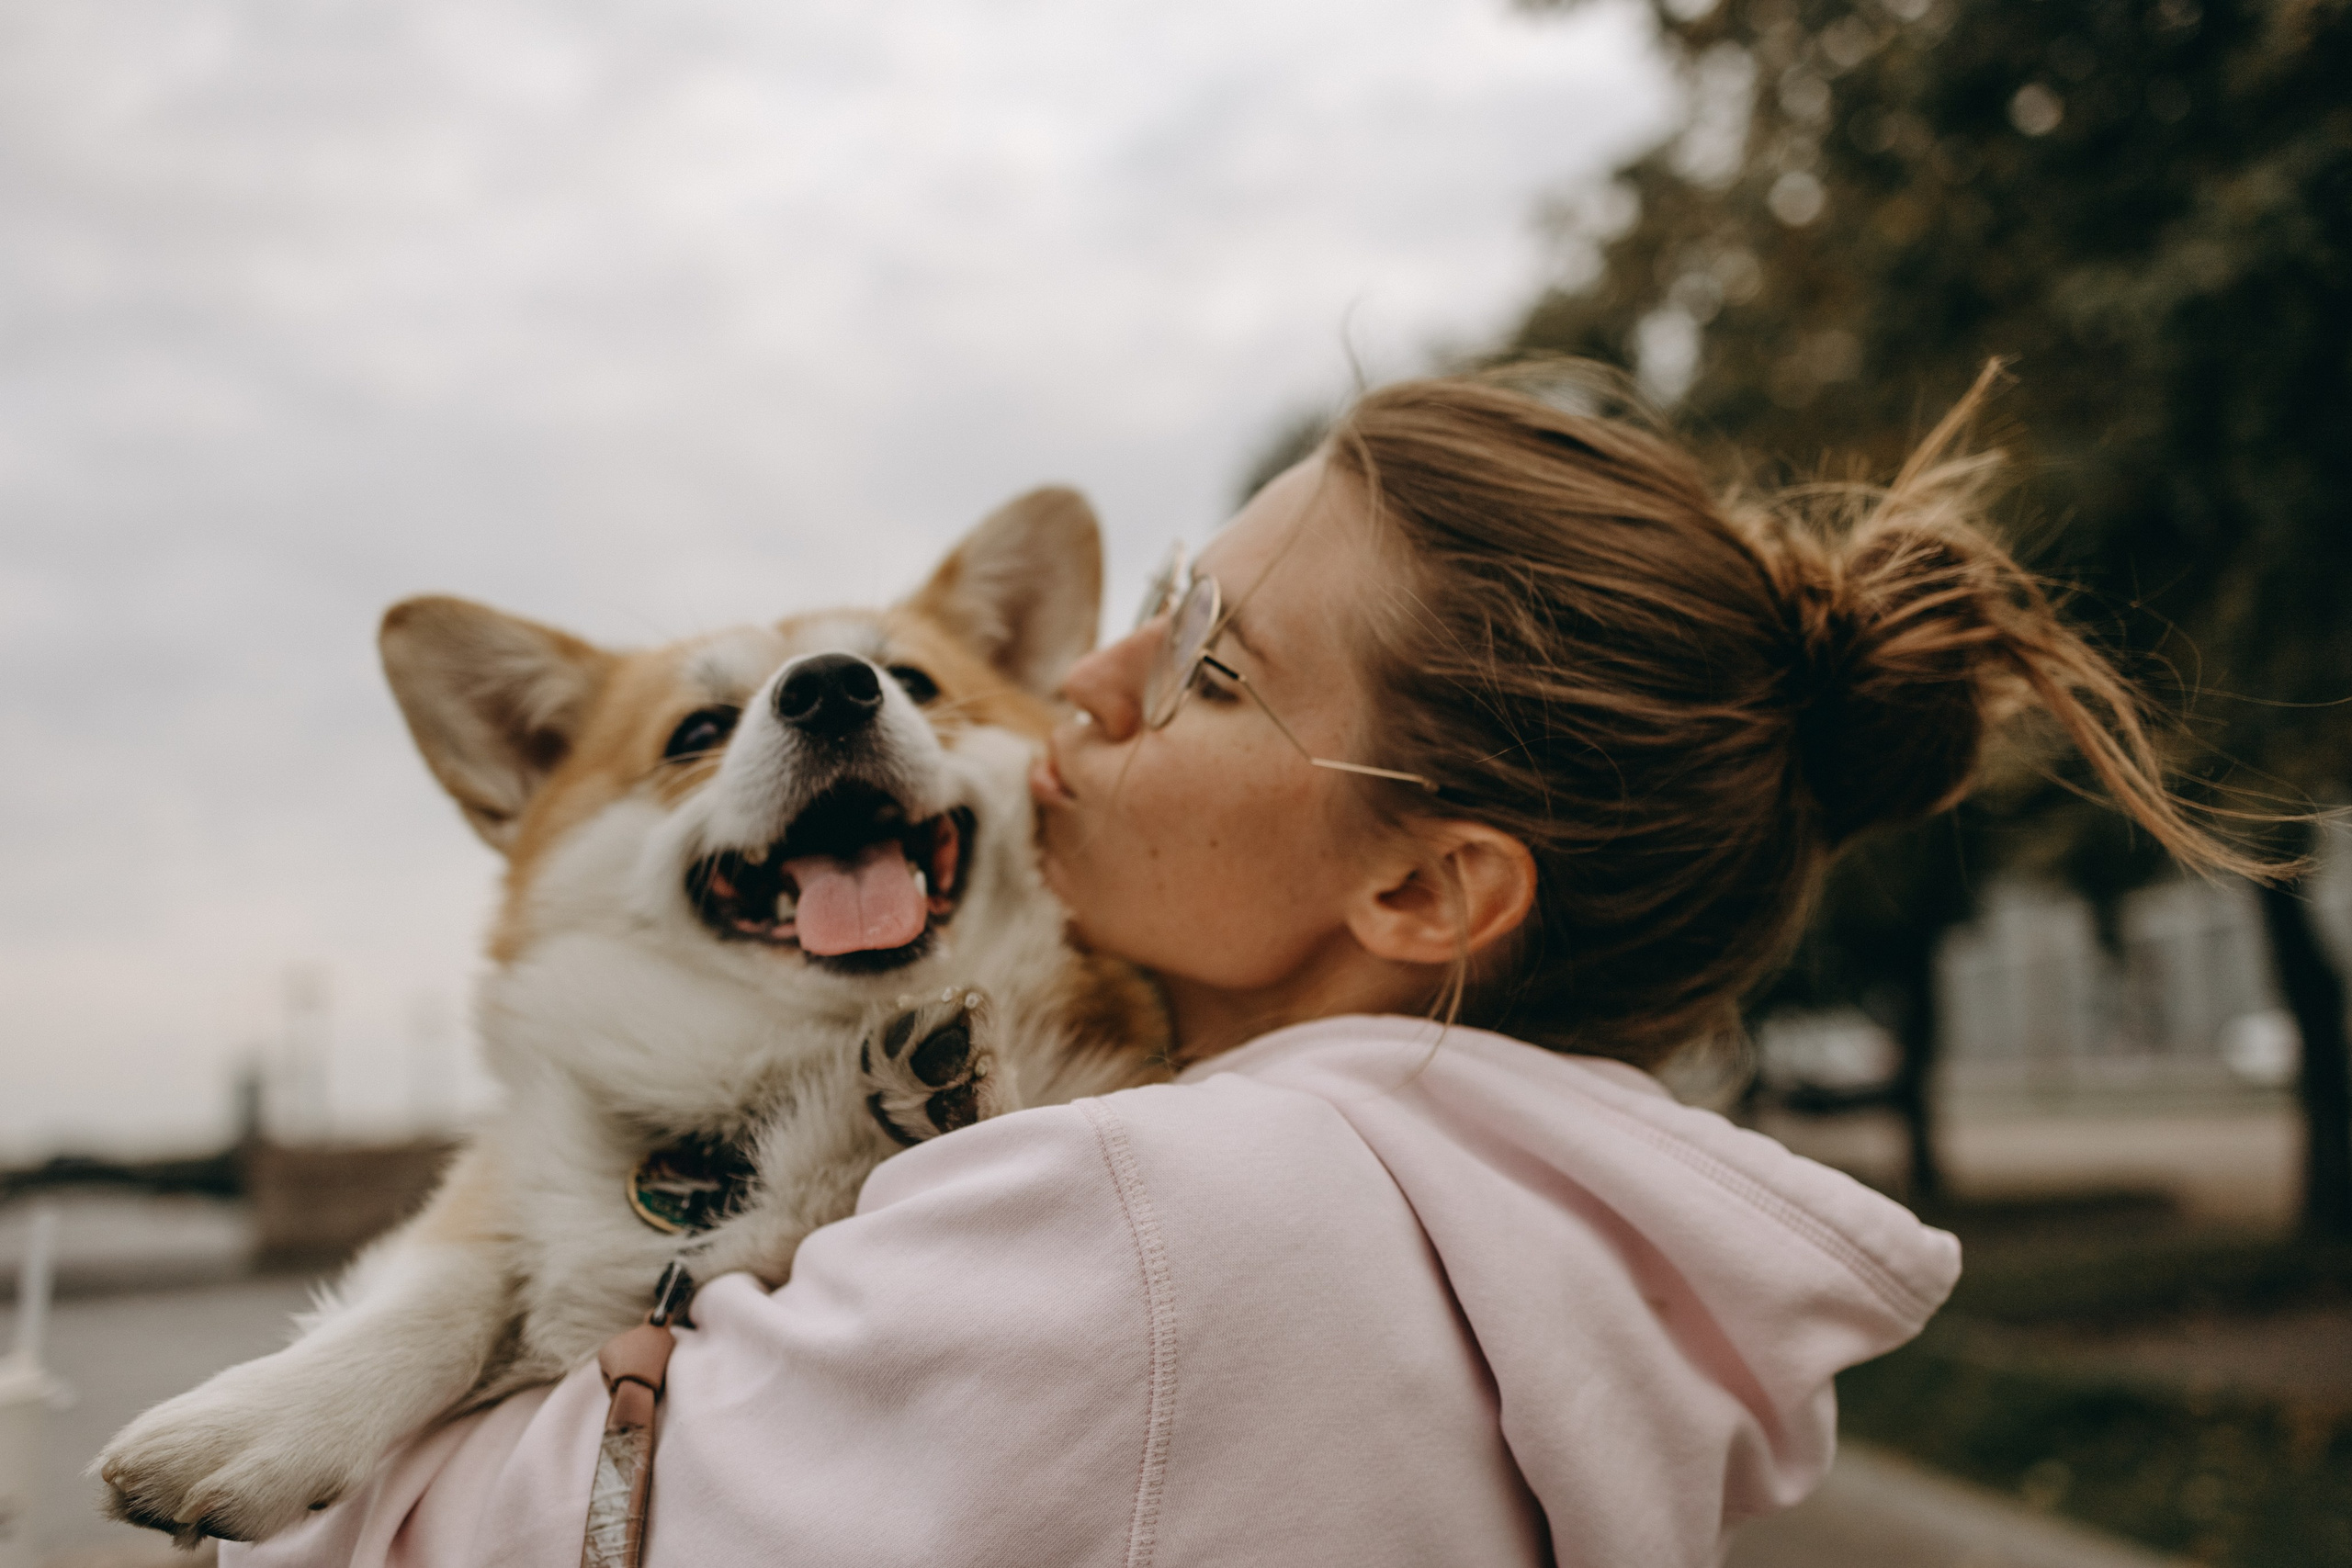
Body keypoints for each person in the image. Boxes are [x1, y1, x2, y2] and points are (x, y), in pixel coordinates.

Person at [231, 366, 2250, 1567]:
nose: (1080, 685)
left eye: (1205, 660)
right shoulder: (1505, 1236)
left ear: (1427, 891)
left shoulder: (1159, 1216)